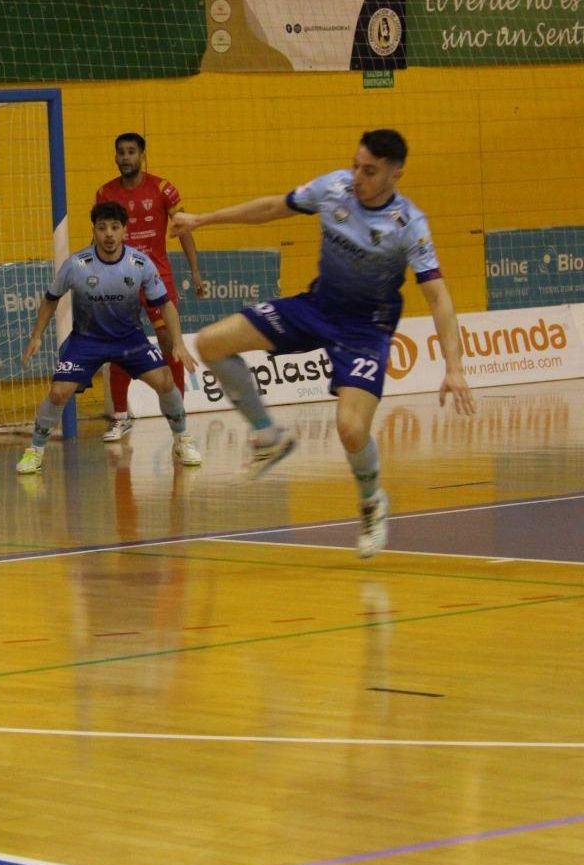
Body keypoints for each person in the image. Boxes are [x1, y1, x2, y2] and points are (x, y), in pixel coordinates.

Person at [171, 128, 476, 558]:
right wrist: (204, 219)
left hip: (364, 332)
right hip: (316, 307)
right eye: (356, 165)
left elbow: (438, 296)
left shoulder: (408, 225)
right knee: (211, 342)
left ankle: (372, 502)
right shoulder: (333, 188)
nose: (358, 177)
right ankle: (268, 434)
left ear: (396, 174)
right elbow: (274, 207)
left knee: (351, 429)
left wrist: (455, 367)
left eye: (369, 171)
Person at [16, 201, 202, 474]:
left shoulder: (139, 264)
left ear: (125, 231)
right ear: (94, 231)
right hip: (86, 341)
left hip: (129, 339)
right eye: (102, 228)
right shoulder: (76, 265)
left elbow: (165, 304)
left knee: (165, 381)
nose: (109, 234)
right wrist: (36, 336)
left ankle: (182, 439)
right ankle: (35, 450)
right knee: (58, 393)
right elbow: (50, 300)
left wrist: (179, 343)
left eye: (115, 227)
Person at [95, 132, 209, 441]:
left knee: (169, 344)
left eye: (131, 152)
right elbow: (100, 239)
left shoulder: (162, 188)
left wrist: (195, 272)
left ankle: (178, 417)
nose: (125, 158)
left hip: (157, 280)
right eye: (120, 152)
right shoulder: (105, 193)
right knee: (117, 345)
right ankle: (120, 416)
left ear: (142, 156)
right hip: (121, 282)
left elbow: (183, 230)